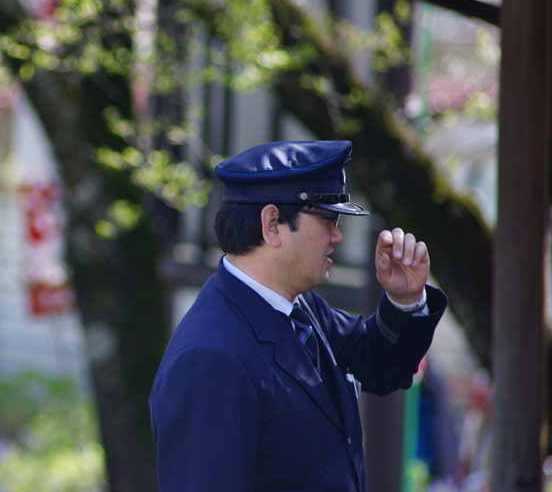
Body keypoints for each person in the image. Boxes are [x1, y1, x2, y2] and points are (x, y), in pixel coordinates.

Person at [149, 140, 447, 492]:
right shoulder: (210, 358)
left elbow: (379, 364)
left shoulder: (297, 306)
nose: (337, 236)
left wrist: (405, 298)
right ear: (272, 223)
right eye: (328, 219)